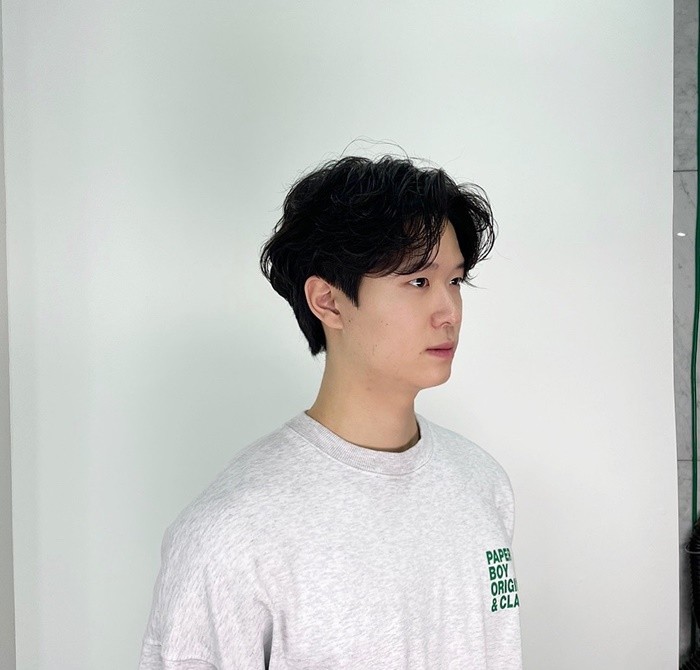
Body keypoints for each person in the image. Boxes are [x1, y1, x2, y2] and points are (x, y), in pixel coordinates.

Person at [138, 155, 522, 669]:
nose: (449, 311)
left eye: (455, 281)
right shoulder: (232, 533)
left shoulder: (482, 484)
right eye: (418, 281)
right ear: (329, 301)